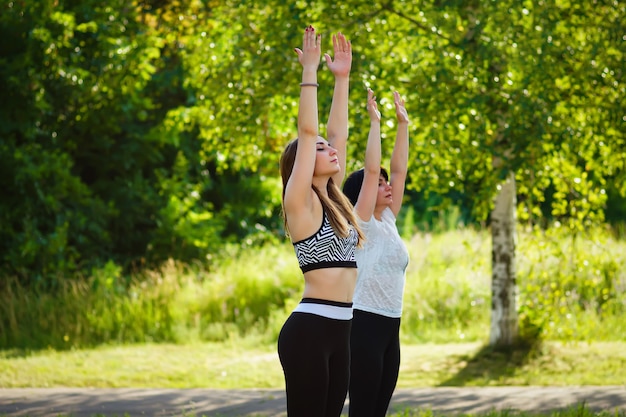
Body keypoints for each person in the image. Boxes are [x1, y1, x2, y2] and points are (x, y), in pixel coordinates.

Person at [277, 26, 364, 417]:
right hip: (310, 330)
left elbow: (336, 132)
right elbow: (309, 132)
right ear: (302, 164)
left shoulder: (333, 200)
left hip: (341, 331)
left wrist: (341, 80)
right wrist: (309, 73)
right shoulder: (301, 203)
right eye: (320, 150)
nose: (331, 150)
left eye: (330, 150)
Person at [342, 90, 410, 417]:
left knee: (379, 410)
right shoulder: (364, 223)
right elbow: (372, 171)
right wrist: (374, 124)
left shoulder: (389, 221)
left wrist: (403, 126)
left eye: (386, 182)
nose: (387, 185)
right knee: (363, 410)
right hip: (364, 323)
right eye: (379, 183)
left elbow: (399, 171)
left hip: (391, 327)